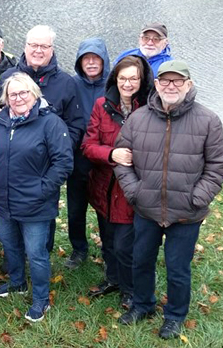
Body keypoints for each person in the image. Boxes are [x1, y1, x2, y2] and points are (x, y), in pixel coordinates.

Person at [115, 60, 223, 339]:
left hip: (186, 214)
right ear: (156, 84)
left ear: (188, 85)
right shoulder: (138, 119)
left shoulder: (208, 120)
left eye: (178, 81)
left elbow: (218, 167)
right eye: (165, 80)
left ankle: (175, 316)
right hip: (146, 208)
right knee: (141, 261)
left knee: (178, 269)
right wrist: (135, 192)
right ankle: (143, 305)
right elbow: (121, 159)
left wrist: (197, 197)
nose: (171, 86)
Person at [0, 72, 73, 322]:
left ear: (34, 94)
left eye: (24, 92)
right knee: (10, 245)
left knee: (36, 253)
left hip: (36, 203)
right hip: (3, 201)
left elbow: (63, 162)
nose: (19, 98)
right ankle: (17, 282)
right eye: (13, 94)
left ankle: (41, 299)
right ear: (6, 98)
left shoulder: (50, 123)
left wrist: (42, 189)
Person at [0, 24, 83, 253]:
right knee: (11, 214)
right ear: (25, 46)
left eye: (44, 46)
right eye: (33, 45)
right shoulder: (10, 76)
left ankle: (41, 255)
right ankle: (14, 260)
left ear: (52, 49)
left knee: (42, 214)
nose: (38, 50)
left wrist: (55, 148)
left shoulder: (66, 83)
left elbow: (76, 124)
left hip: (45, 164)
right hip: (14, 161)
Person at [81, 55, 153, 310]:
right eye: (123, 78)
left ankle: (131, 289)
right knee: (108, 241)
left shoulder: (149, 108)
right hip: (103, 186)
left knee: (125, 245)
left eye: (133, 78)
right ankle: (113, 279)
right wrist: (111, 154)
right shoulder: (102, 105)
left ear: (141, 80)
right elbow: (88, 145)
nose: (128, 83)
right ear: (115, 79)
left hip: (131, 189)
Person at [64, 37, 110, 269]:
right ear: (79, 63)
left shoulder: (113, 85)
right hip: (78, 157)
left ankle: (108, 248)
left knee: (105, 207)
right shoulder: (71, 85)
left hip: (105, 159)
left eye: (96, 59)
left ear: (104, 61)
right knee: (75, 208)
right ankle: (79, 249)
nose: (91, 63)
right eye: (86, 59)